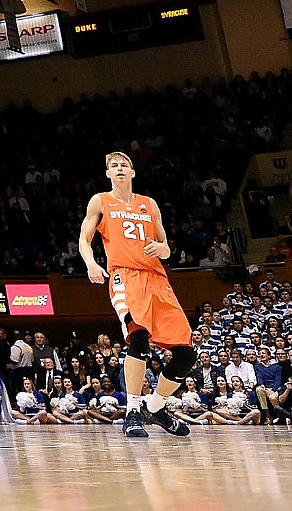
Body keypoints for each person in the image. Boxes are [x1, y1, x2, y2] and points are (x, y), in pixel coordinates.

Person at [80, 150, 198, 438]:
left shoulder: (149, 204)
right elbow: (84, 239)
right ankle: (132, 411)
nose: (119, 168)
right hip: (125, 276)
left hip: (157, 279)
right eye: (113, 166)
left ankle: (155, 407)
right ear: (108, 174)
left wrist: (162, 250)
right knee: (139, 336)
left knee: (185, 354)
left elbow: (166, 246)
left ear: (132, 173)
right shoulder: (100, 200)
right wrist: (91, 264)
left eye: (124, 165)